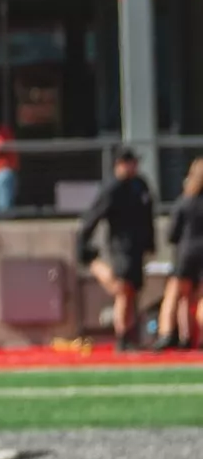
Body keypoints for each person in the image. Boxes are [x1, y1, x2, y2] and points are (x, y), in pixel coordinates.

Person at [77, 148, 156, 352]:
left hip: (137, 246)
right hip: (120, 246)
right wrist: (83, 240)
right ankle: (123, 335)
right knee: (123, 289)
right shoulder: (113, 188)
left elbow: (148, 215)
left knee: (132, 291)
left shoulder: (140, 185)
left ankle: (131, 332)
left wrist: (150, 242)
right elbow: (94, 215)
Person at [153, 157, 203, 351]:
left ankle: (167, 333)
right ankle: (194, 336)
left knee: (175, 294)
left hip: (186, 252)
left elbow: (172, 233)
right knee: (199, 298)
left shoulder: (185, 201)